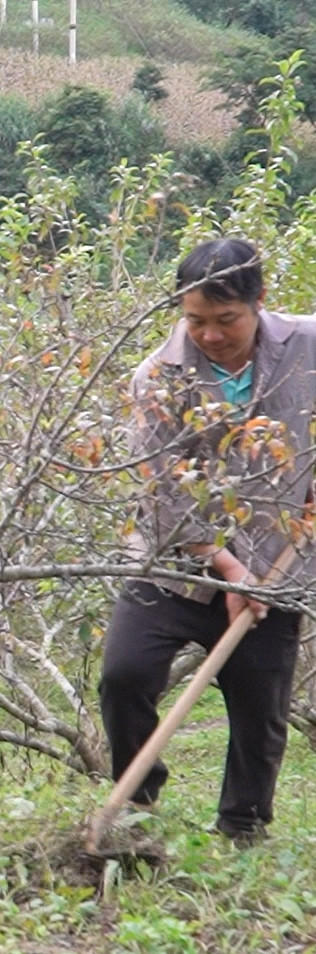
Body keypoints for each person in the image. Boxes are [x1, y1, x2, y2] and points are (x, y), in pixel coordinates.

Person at [100, 238, 316, 846]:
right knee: (125, 676)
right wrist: (228, 572)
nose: (210, 335)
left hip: (280, 558)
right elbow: (165, 491)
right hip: (173, 562)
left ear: (260, 303)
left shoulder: (307, 345)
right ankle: (136, 810)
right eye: (195, 319)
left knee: (259, 705)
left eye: (227, 320)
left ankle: (242, 826)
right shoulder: (158, 376)